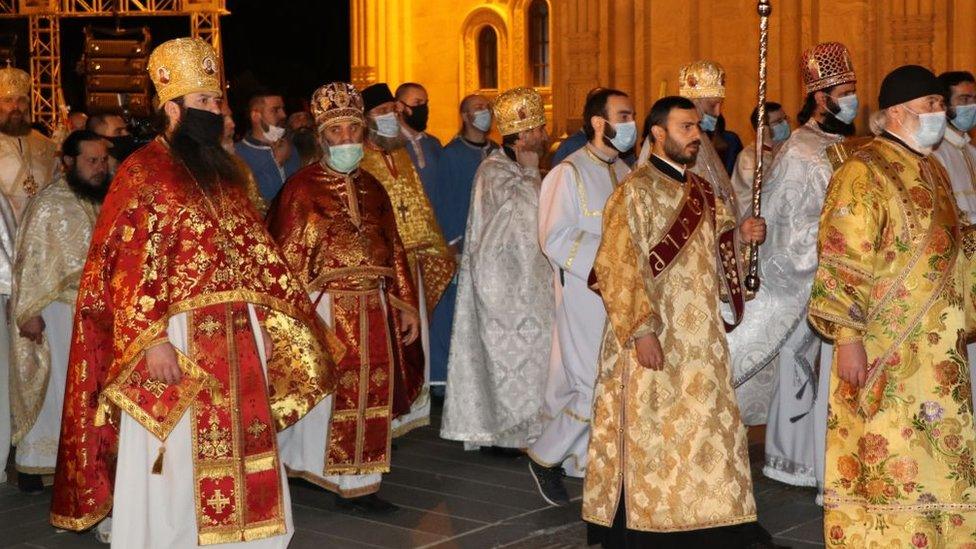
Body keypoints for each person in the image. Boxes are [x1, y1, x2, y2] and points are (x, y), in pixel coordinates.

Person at [49, 38, 338, 548]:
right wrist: (151, 338)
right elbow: (127, 265)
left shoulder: (226, 173)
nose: (217, 111)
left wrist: (264, 323)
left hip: (237, 335)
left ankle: (246, 540)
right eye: (205, 102)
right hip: (176, 339)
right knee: (178, 457)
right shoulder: (143, 172)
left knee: (248, 442)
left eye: (218, 100)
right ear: (172, 108)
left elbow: (251, 257)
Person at [584, 95, 774, 548]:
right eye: (686, 128)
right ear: (658, 134)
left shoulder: (703, 191)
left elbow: (717, 248)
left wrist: (740, 236)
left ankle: (713, 521)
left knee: (706, 430)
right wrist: (642, 330)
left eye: (697, 128)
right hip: (654, 333)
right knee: (653, 431)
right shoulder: (634, 191)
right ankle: (647, 527)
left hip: (700, 340)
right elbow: (618, 266)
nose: (696, 137)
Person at [809, 64, 976, 546]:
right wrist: (848, 338)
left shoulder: (933, 166)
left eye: (941, 105)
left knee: (938, 454)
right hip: (887, 348)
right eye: (931, 105)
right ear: (898, 113)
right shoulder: (864, 170)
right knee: (890, 449)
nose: (939, 114)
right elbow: (842, 257)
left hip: (938, 346)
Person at [270, 82, 422, 514]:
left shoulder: (375, 188)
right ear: (321, 138)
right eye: (336, 132)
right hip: (324, 307)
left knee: (368, 393)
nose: (347, 140)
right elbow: (285, 254)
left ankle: (361, 479)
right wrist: (294, 316)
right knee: (323, 397)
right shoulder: (300, 189)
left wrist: (405, 304)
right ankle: (314, 469)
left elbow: (393, 248)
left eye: (353, 131)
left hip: (373, 306)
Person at [527, 88, 633, 505]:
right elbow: (553, 236)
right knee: (593, 383)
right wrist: (608, 260)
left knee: (618, 383)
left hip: (623, 296)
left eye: (632, 115)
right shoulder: (566, 173)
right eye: (622, 115)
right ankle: (545, 456)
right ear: (597, 123)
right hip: (584, 293)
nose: (630, 123)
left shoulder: (625, 173)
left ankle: (598, 465)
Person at [440, 87, 553, 453]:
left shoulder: (521, 168)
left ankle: (535, 428)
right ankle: (507, 433)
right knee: (508, 360)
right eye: (538, 129)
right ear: (522, 136)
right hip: (501, 286)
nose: (543, 134)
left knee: (537, 358)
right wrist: (531, 176)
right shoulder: (493, 170)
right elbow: (523, 223)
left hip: (534, 283)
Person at [10, 130, 108, 493]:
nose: (99, 168)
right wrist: (28, 313)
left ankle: (90, 462)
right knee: (62, 390)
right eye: (91, 161)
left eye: (102, 160)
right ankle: (49, 464)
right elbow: (30, 264)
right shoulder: (48, 203)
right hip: (59, 311)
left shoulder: (108, 199)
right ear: (68, 162)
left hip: (100, 313)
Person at [360, 82, 456, 435]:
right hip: (382, 268)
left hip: (413, 260)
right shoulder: (360, 160)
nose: (390, 118)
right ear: (366, 119)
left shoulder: (399, 153)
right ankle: (382, 413)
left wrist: (435, 248)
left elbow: (420, 206)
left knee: (415, 338)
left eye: (392, 111)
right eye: (382, 113)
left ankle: (409, 408)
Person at [428, 93, 498, 392]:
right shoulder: (452, 154)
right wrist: (455, 246)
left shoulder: (497, 151)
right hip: (465, 248)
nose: (484, 113)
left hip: (496, 250)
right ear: (465, 116)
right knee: (459, 315)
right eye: (477, 108)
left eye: (487, 108)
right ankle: (451, 381)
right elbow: (443, 201)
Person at [934, 70, 976, 405]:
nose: (971, 106)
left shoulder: (969, 150)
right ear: (945, 106)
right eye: (963, 100)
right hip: (955, 270)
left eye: (973, 99)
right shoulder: (935, 154)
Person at [0, 66, 58, 220]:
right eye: (7, 100)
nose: (15, 107)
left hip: (41, 221)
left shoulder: (47, 144)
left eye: (21, 100)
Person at [234, 91, 299, 202]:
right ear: (256, 116)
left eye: (283, 109)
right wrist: (277, 163)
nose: (283, 115)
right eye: (275, 110)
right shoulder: (237, 154)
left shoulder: (291, 148)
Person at [730, 101, 788, 219]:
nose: (785, 124)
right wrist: (776, 162)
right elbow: (757, 198)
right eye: (778, 122)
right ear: (762, 128)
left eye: (785, 119)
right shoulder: (748, 158)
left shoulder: (792, 148)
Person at [395, 82, 442, 195]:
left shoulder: (434, 143)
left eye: (425, 103)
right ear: (399, 106)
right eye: (417, 102)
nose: (423, 108)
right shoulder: (390, 144)